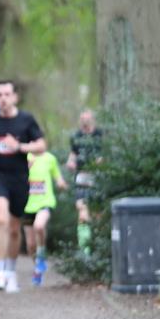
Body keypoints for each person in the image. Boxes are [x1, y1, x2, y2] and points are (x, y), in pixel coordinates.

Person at [0, 80, 46, 293]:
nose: (3, 99)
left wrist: (20, 146)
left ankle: (11, 272)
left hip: (19, 178)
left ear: (14, 97)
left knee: (15, 230)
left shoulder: (26, 120)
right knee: (0, 219)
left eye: (7, 94)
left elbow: (42, 145)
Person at [23, 152, 68, 286]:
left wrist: (62, 184)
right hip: (26, 205)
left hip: (45, 202)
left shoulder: (50, 158)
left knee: (39, 226)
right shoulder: (23, 156)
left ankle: (41, 253)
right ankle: (37, 268)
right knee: (30, 245)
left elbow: (58, 177)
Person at [66, 109, 103, 255]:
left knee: (97, 216)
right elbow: (73, 153)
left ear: (93, 120)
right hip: (81, 177)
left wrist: (100, 162)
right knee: (82, 212)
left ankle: (98, 249)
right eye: (82, 120)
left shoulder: (100, 135)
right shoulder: (76, 136)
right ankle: (85, 251)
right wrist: (70, 162)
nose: (85, 122)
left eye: (87, 119)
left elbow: (105, 154)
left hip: (98, 178)